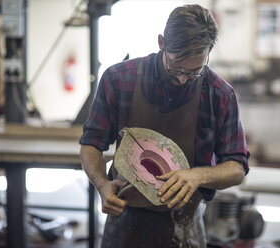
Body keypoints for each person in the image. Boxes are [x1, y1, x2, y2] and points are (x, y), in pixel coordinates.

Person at [79, 4, 250, 248]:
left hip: (185, 225)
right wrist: (102, 185)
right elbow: (91, 144)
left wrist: (197, 175)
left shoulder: (220, 95)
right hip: (124, 220)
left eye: (194, 72)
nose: (182, 79)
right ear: (162, 43)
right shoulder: (118, 79)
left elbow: (237, 168)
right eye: (176, 67)